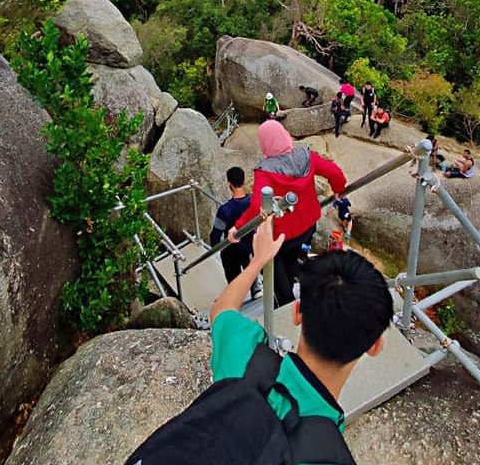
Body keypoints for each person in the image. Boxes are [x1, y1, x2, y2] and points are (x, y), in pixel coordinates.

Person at [126, 220, 392, 465]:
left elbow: (221, 310)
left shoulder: (246, 360)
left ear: (297, 312)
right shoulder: (328, 456)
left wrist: (258, 261)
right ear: (375, 345)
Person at [229, 120, 347, 306]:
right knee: (292, 259)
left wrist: (237, 227)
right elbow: (334, 172)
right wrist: (339, 188)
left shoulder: (265, 171)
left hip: (282, 235)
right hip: (307, 226)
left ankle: (287, 304)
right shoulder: (307, 155)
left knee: (273, 267)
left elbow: (257, 206)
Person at [209, 167, 262, 300]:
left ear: (229, 184)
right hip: (253, 246)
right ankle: (255, 287)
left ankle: (235, 292)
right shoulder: (254, 202)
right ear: (244, 181)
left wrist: (216, 247)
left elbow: (215, 235)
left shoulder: (224, 210)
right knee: (248, 252)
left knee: (227, 254)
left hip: (233, 249)